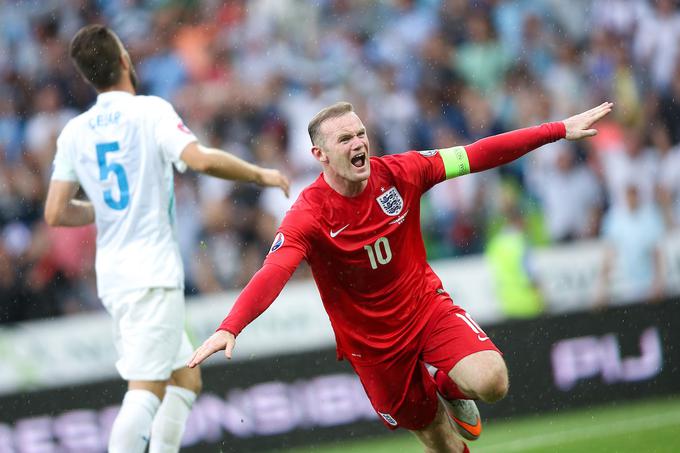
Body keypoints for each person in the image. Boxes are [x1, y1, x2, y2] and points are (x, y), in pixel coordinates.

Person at [189, 101, 612, 452]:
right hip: (373, 349)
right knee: (440, 442)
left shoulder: (402, 171)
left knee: (492, 381)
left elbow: (478, 153)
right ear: (320, 155)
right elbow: (274, 270)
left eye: (360, 134)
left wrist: (556, 129)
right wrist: (232, 326)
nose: (358, 144)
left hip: (425, 309)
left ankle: (449, 385)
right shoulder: (309, 214)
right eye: (345, 139)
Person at [43, 25, 289, 453]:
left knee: (186, 378)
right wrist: (259, 173)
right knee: (146, 389)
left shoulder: (74, 132)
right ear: (123, 60)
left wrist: (103, 210)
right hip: (150, 274)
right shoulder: (149, 111)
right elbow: (197, 159)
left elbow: (55, 211)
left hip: (117, 275)